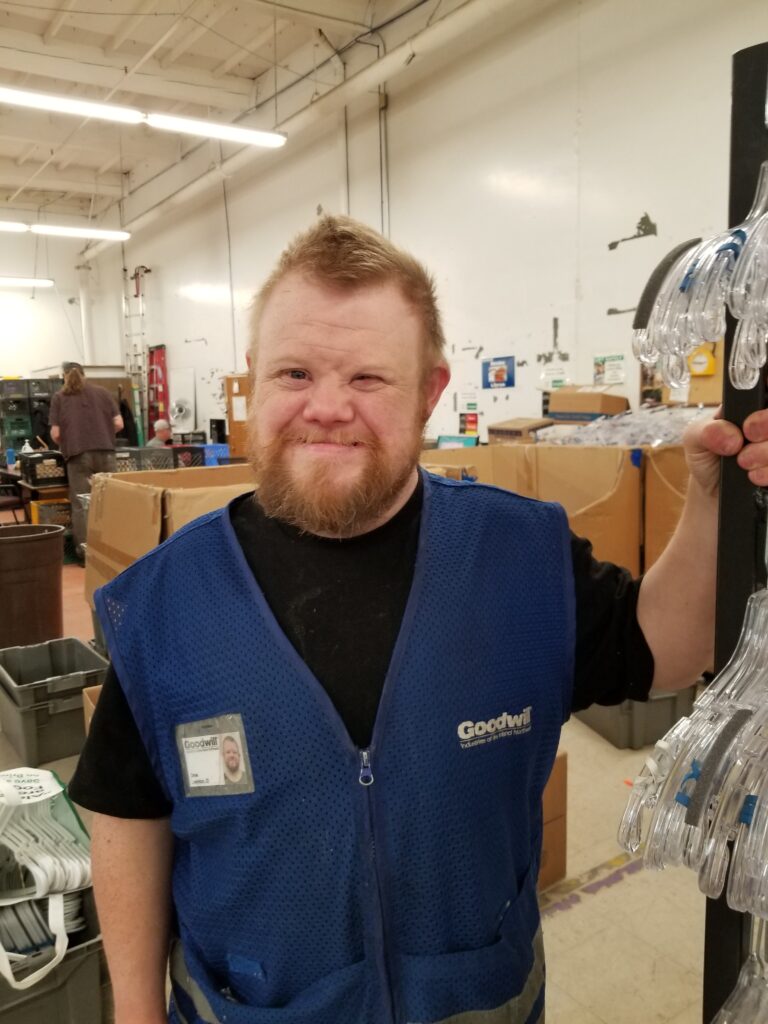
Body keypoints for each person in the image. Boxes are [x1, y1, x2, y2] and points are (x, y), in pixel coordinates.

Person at [68, 216, 768, 1024]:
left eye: (368, 378)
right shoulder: (167, 599)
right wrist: (133, 1010)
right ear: (253, 380)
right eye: (294, 372)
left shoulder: (521, 558)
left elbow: (669, 651)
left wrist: (712, 501)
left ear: (432, 392)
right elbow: (127, 808)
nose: (327, 408)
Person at [50, 363, 123, 561]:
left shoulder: (59, 398)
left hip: (78, 454)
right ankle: (116, 547)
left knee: (82, 503)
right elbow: (119, 423)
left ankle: (85, 554)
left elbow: (56, 434)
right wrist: (104, 434)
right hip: (106, 452)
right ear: (85, 374)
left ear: (64, 376)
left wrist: (69, 440)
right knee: (111, 500)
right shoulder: (103, 393)